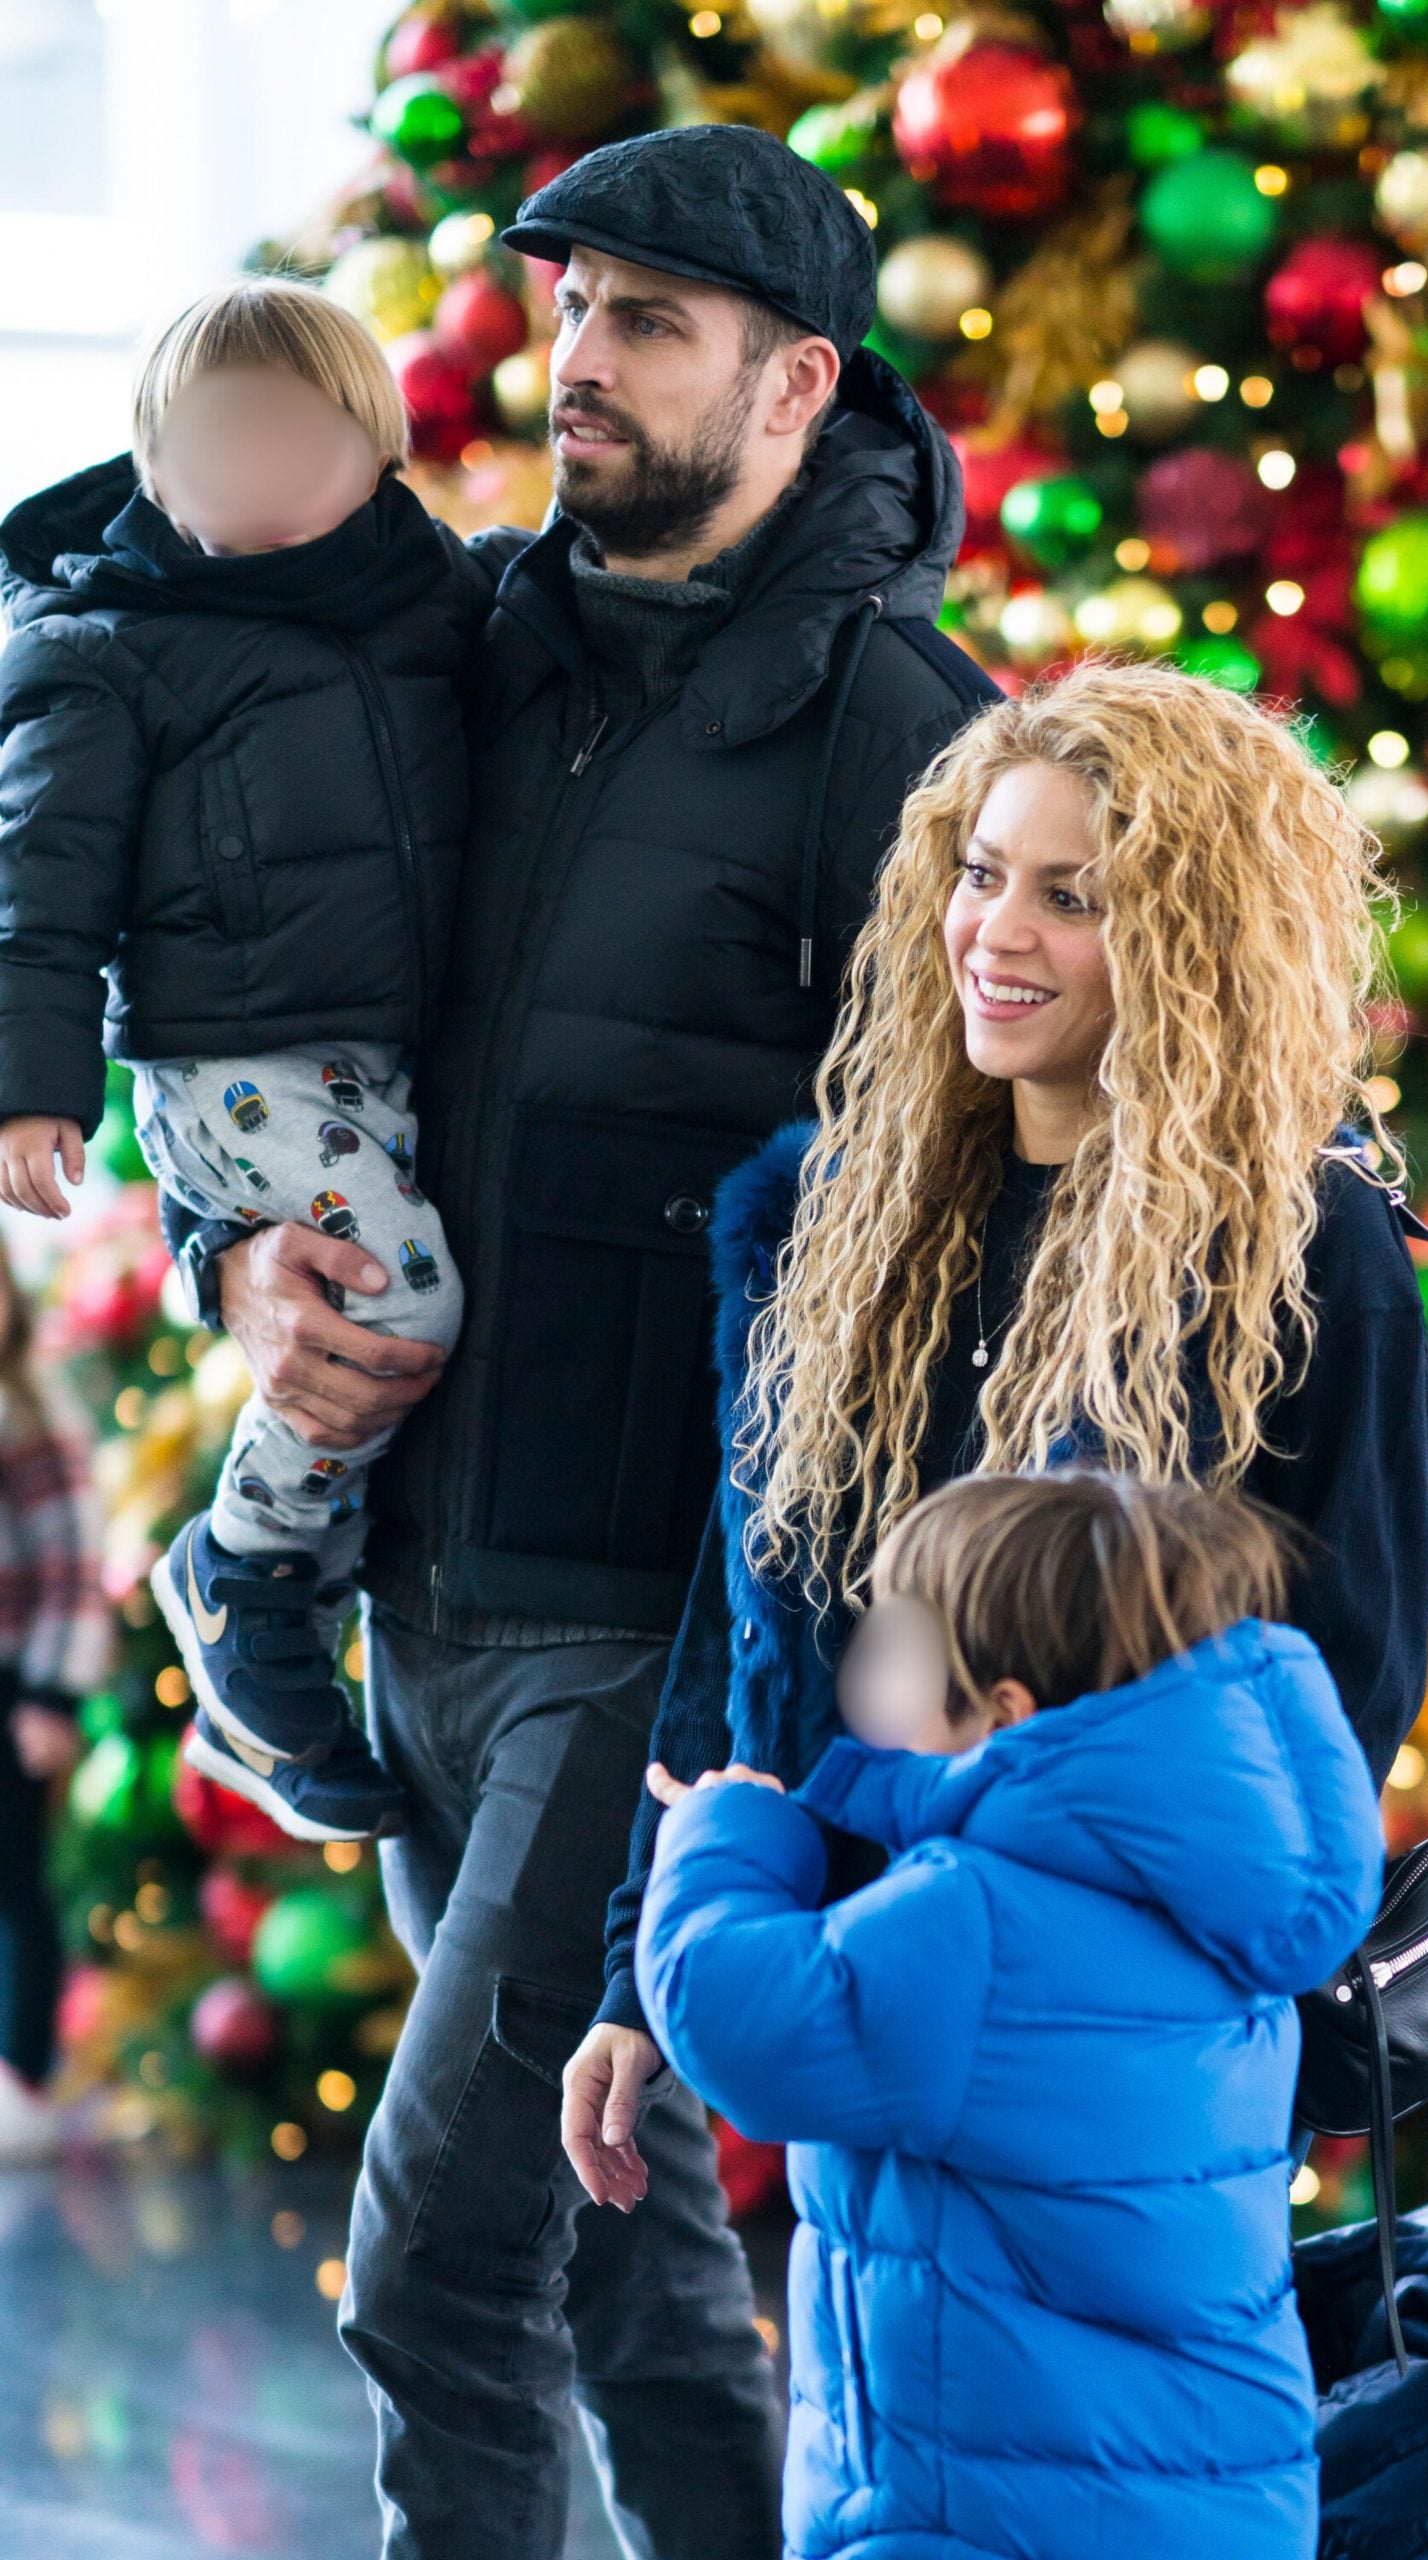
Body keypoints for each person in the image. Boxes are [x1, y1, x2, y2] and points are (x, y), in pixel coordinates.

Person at [169, 128, 993, 2560]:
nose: (575, 360)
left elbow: (939, 1230)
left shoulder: (898, 731)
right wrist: (242, 1264)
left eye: (643, 317)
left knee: (441, 2264)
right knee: (631, 2269)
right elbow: (247, 982)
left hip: (635, 1639)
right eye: (568, 308)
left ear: (797, 376)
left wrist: (766, 1693)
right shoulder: (457, 637)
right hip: (413, 1573)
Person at [574, 653, 1428, 2210]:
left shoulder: (1293, 1245)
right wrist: (645, 1962)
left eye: (1074, 896)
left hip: (1125, 2038)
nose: (998, 934)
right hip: (869, 1981)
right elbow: (743, 1628)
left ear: (1189, 939)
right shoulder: (832, 1213)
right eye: (981, 876)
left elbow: (1341, 1682)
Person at [637, 1468, 1386, 2559]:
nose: (852, 1663)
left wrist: (730, 1834)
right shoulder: (1207, 1909)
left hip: (985, 2515)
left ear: (1000, 1710)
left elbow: (735, 2017)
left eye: (892, 1640)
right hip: (1206, 2504)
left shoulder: (976, 1920)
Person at [0, 276, 493, 1844]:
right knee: (398, 1300)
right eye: (222, 437)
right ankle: (247, 1570)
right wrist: (30, 1079)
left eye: (303, 432)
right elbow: (35, 878)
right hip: (235, 1057)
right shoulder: (106, 645)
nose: (263, 465)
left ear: (379, 452)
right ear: (158, 469)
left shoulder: (446, 602)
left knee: (413, 1311)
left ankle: (295, 1597)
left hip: (391, 1047)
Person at [0, 1236, 111, 2168]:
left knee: (15, 1887)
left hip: (14, 1688)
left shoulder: (29, 1405)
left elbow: (73, 1567)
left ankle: (22, 2077)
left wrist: (51, 1693)